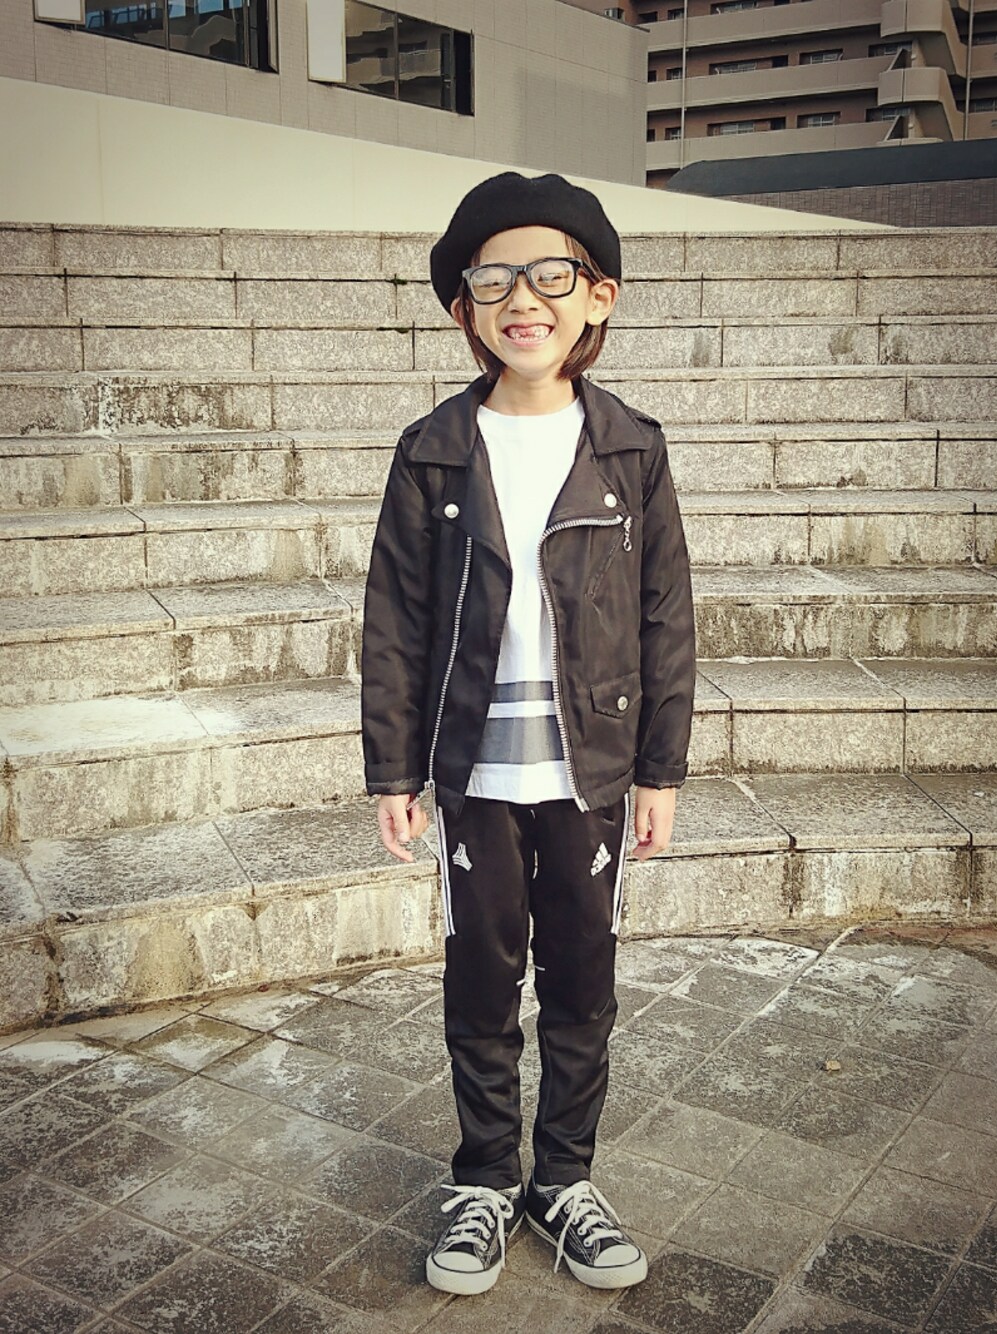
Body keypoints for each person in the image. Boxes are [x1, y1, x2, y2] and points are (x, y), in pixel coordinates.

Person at [361, 172, 695, 1296]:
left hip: (589, 769)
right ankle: (484, 1180)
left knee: (583, 978)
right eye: (494, 279)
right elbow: (396, 618)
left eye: (551, 275)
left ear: (597, 297)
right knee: (481, 978)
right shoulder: (433, 448)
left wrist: (659, 769)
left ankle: (563, 1178)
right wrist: (394, 768)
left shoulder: (631, 448)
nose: (523, 299)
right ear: (465, 307)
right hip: (474, 770)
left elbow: (666, 615)